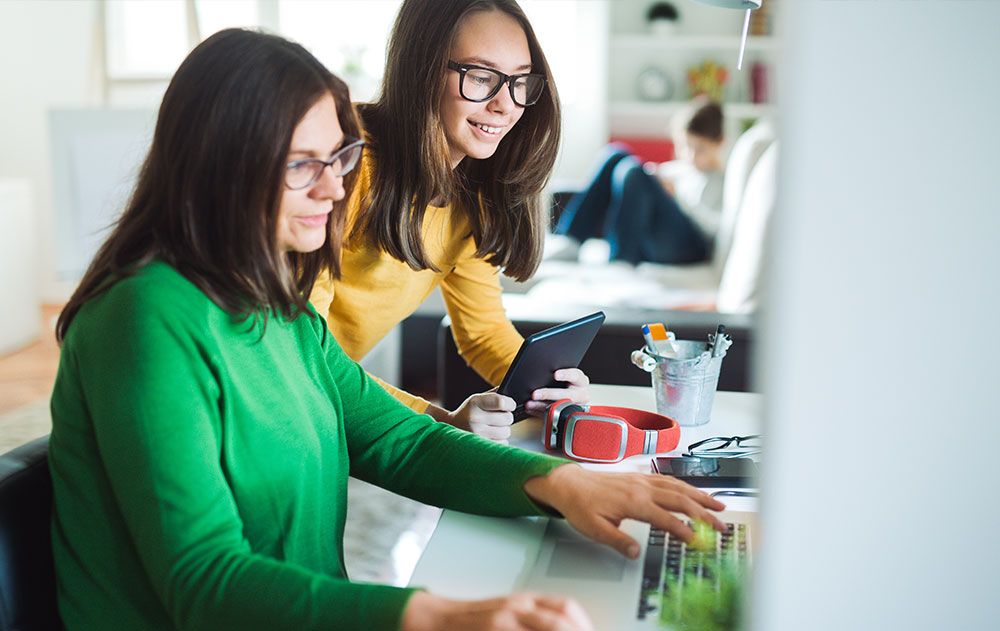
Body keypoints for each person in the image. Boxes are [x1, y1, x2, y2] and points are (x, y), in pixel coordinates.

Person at [48, 28, 726, 631]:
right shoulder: (146, 319)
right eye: (301, 164)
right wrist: (431, 613)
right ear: (217, 163)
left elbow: (401, 440)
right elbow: (204, 582)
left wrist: (561, 483)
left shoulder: (278, 308)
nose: (336, 190)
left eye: (338, 158)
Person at [309, 0, 589, 442]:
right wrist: (437, 419)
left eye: (520, 80)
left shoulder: (473, 196)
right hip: (270, 385)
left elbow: (482, 333)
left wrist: (544, 384)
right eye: (480, 76)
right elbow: (308, 351)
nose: (506, 105)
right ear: (421, 70)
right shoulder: (346, 165)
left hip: (325, 395)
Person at [553, 97, 726, 265]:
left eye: (701, 149)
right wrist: (653, 178)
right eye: (686, 146)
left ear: (719, 143)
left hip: (691, 247)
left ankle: (622, 259)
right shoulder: (680, 168)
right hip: (659, 238)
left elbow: (716, 229)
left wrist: (676, 196)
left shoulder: (723, 179)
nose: (691, 156)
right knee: (615, 154)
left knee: (633, 172)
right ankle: (572, 240)